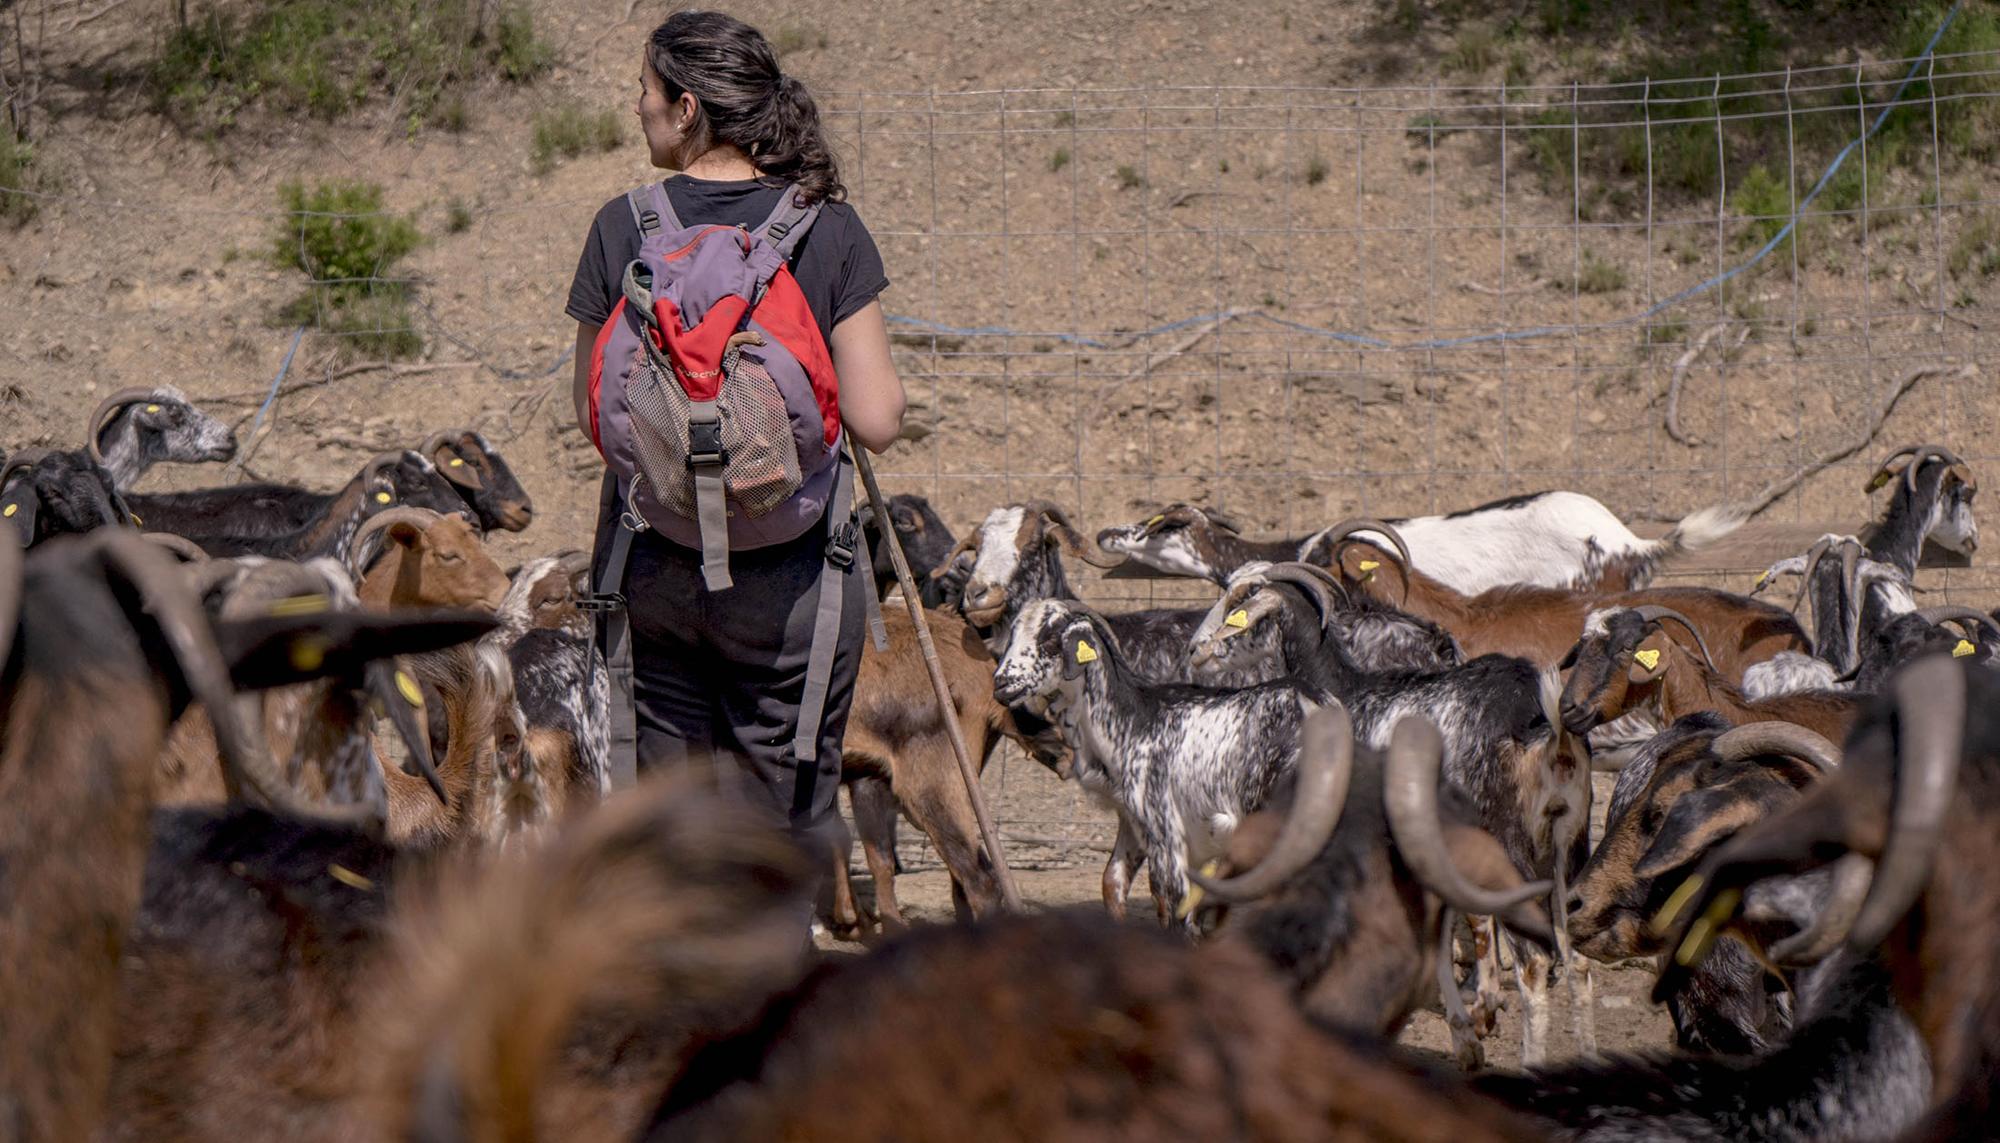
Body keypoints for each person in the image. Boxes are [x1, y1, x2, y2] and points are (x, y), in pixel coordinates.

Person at [565, 11, 905, 853]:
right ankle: (779, 980)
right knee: (777, 837)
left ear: (687, 109)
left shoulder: (622, 226)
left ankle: (688, 981)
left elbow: (591, 415)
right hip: (790, 589)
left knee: (674, 830)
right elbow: (877, 420)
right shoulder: (827, 228)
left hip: (656, 573)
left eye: (644, 92)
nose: (636, 108)